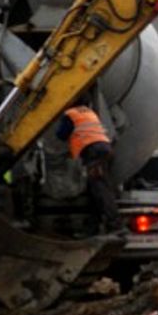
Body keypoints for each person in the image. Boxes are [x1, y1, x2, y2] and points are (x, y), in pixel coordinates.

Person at [56, 98, 121, 234]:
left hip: (94, 152)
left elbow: (61, 134)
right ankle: (93, 226)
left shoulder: (71, 114)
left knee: (101, 189)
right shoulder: (89, 112)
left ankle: (115, 224)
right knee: (96, 189)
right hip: (105, 149)